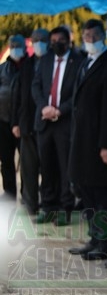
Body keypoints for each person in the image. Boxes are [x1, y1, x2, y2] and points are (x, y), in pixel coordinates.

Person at [67, 19, 107, 260]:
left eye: (93, 36)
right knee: (86, 189)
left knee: (102, 193)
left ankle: (106, 241)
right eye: (85, 35)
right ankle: (95, 237)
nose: (89, 40)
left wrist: (105, 144)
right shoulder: (85, 62)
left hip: (98, 140)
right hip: (81, 139)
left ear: (102, 36)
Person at [32, 26, 85, 225]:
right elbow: (36, 86)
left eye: (60, 40)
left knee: (65, 168)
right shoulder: (45, 60)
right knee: (46, 167)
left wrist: (60, 110)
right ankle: (47, 206)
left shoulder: (78, 61)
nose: (55, 43)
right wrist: (44, 106)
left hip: (64, 122)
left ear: (68, 41)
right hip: (44, 121)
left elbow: (78, 94)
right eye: (52, 40)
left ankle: (65, 208)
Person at [12, 28, 49, 214]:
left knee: (49, 169)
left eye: (42, 39)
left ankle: (49, 204)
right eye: (35, 40)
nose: (38, 43)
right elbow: (18, 96)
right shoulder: (27, 65)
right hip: (27, 124)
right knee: (28, 168)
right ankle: (30, 204)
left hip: (47, 124)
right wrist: (15, 122)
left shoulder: (52, 63)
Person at [0, 34, 26, 197]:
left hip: (23, 121)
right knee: (6, 158)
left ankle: (27, 193)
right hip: (3, 119)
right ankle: (9, 192)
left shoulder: (30, 67)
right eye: (13, 45)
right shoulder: (3, 68)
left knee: (27, 161)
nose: (15, 48)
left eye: (18, 45)